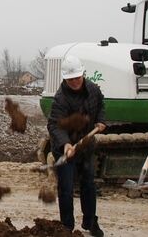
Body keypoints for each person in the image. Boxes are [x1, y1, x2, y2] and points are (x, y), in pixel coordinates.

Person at [47, 55, 106, 237]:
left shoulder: (93, 89)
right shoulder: (61, 98)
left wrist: (100, 121)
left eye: (77, 78)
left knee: (88, 184)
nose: (74, 82)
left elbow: (101, 105)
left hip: (85, 147)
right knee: (65, 188)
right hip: (65, 149)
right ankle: (67, 226)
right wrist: (65, 144)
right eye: (70, 79)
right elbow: (55, 125)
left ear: (83, 75)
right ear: (65, 78)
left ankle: (90, 222)